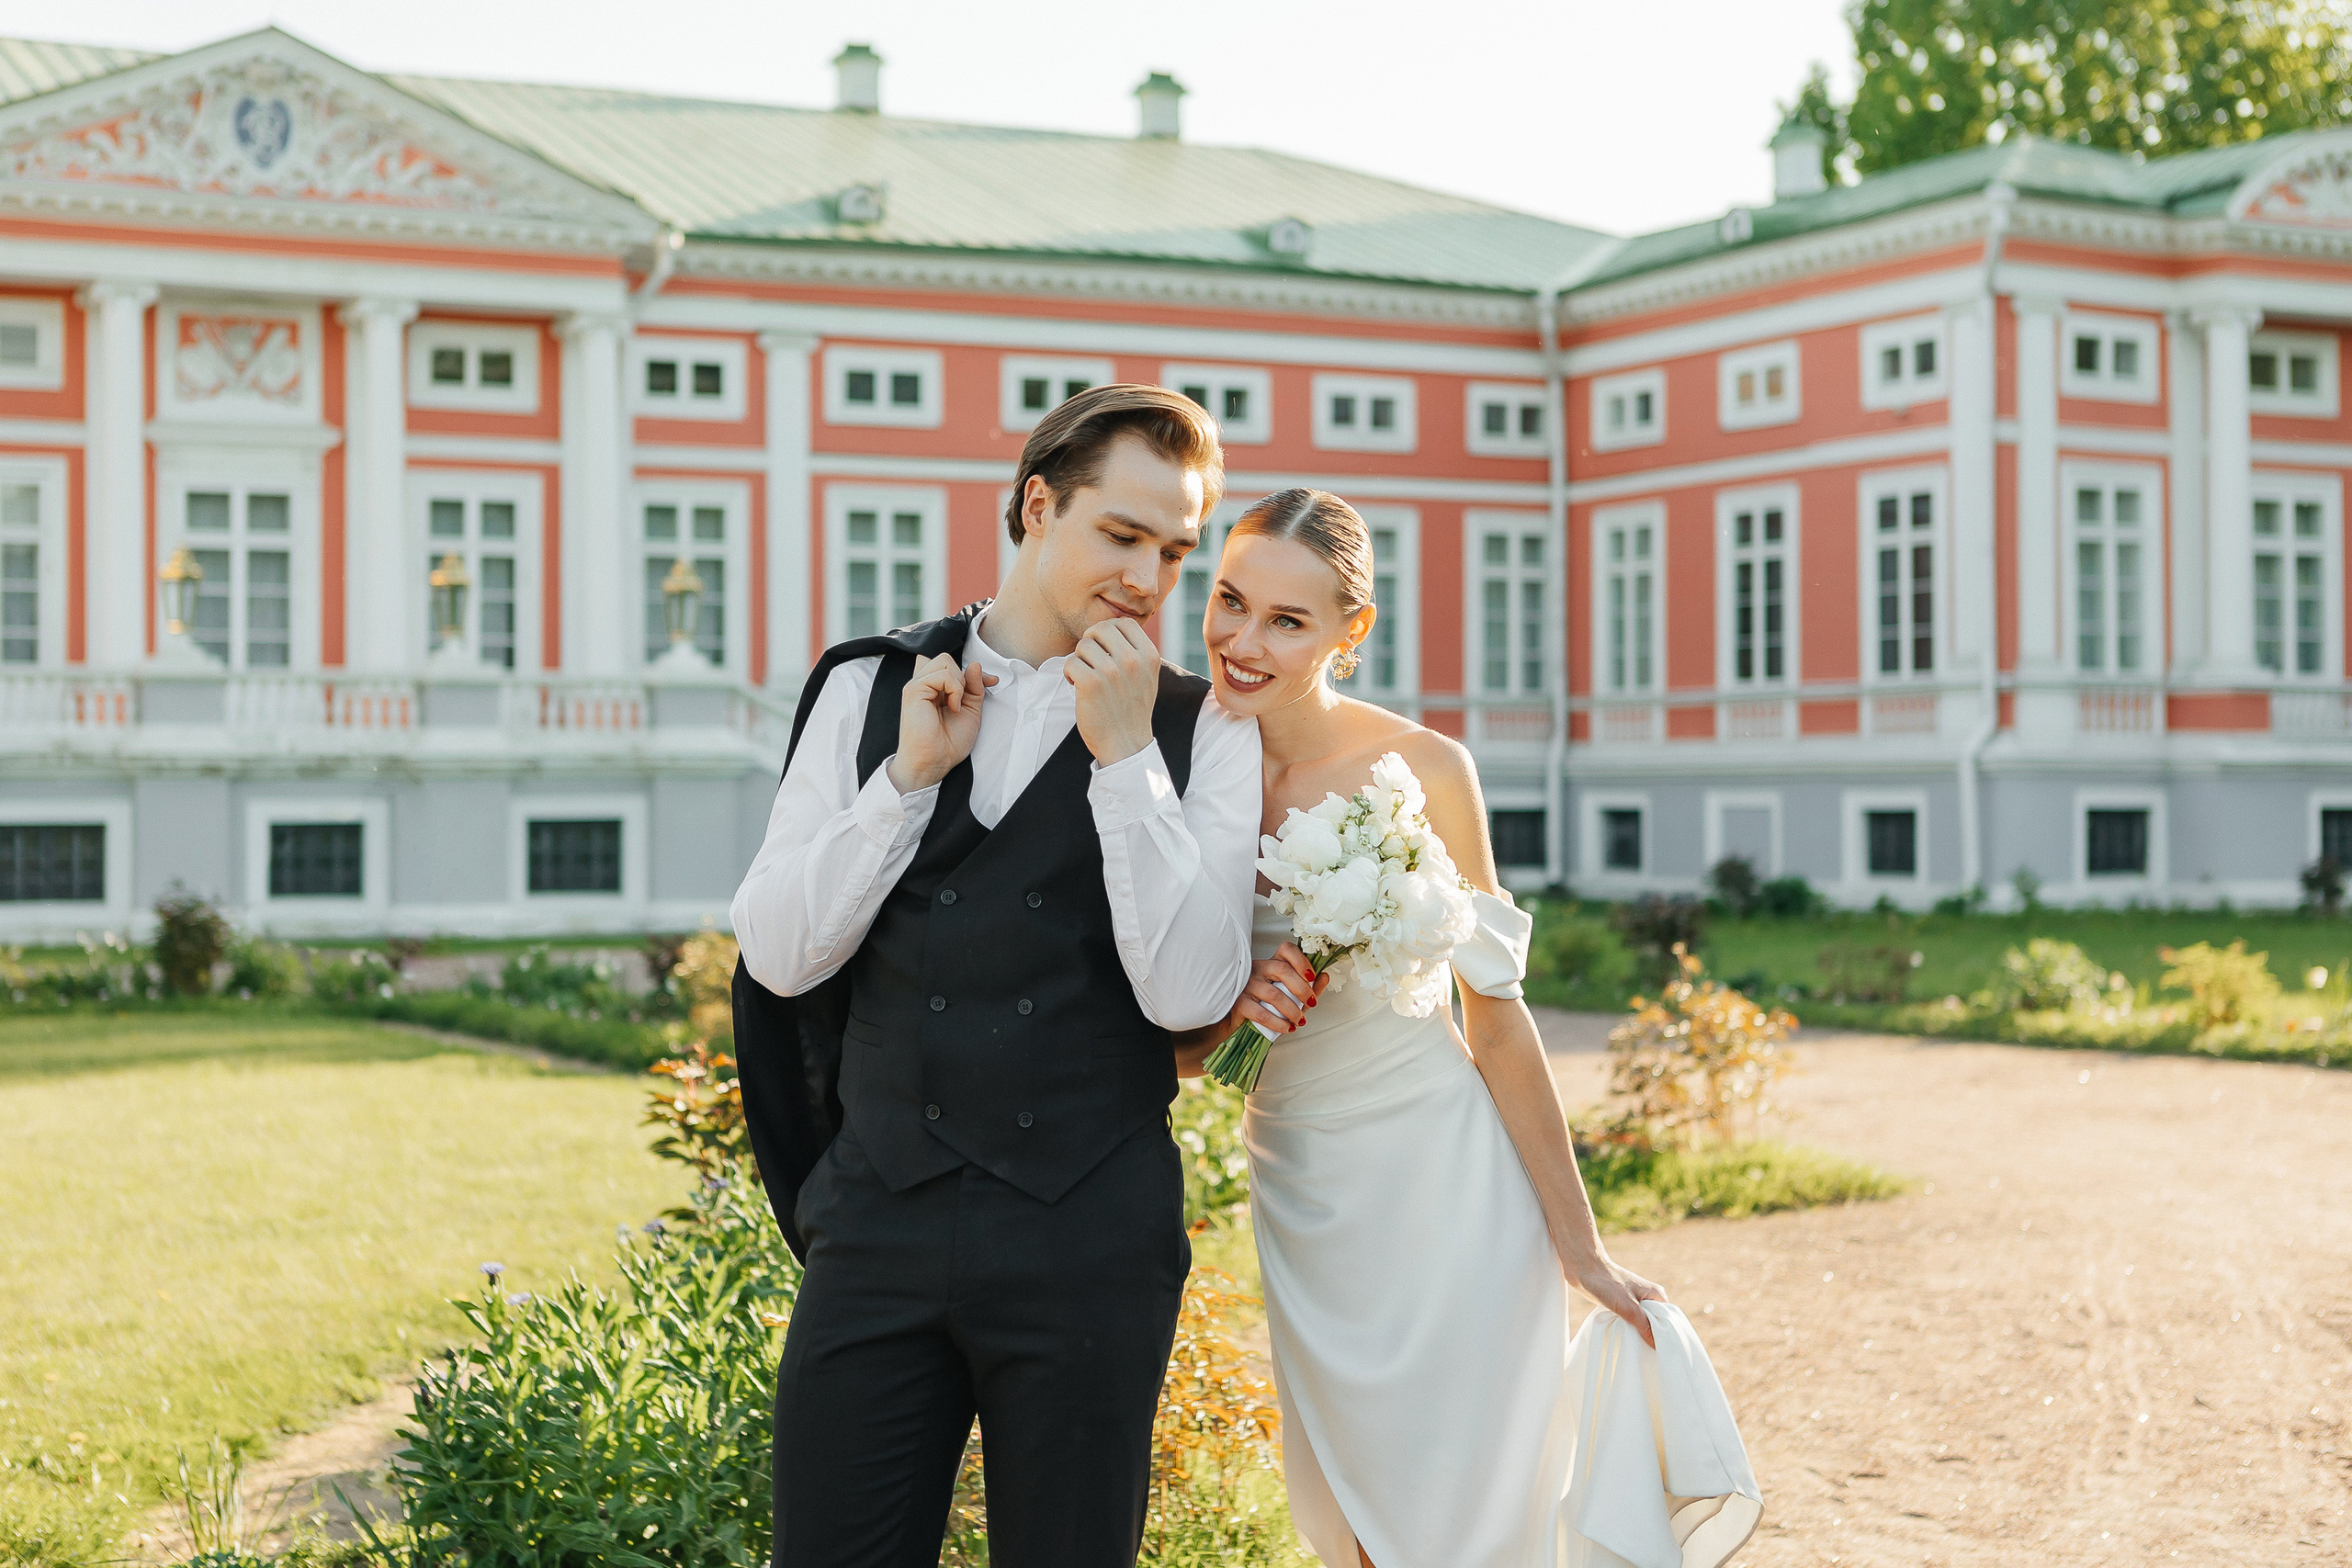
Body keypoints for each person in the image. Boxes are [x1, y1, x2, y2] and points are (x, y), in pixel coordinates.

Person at [729, 384, 1261, 1567]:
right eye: (1121, 535)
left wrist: (1126, 760)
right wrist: (905, 783)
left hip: (1089, 1240)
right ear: (1037, 506)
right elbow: (774, 954)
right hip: (878, 1225)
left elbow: (1188, 995)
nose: (1147, 576)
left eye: (1174, 551)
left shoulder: (1204, 731)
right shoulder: (868, 689)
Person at [1174, 488, 1668, 1568]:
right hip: (1301, 1189)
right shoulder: (1187, 763)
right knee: (1352, 1514)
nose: (1241, 642)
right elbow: (1168, 1030)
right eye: (1228, 602)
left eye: (1286, 621)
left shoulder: (1427, 769)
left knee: (1460, 1513)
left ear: (1350, 631)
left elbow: (1495, 1020)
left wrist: (1578, 1245)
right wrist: (1222, 1022)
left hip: (1445, 1190)